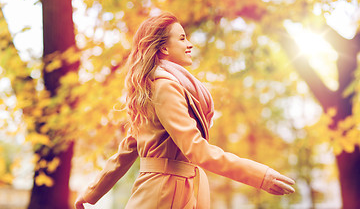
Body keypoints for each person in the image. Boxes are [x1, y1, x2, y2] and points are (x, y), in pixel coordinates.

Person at [74, 12, 295, 209]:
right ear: (163, 48)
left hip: (184, 189)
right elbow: (195, 149)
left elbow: (127, 150)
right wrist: (259, 176)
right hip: (164, 193)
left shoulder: (162, 85)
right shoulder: (163, 86)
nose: (189, 44)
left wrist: (91, 194)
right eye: (181, 38)